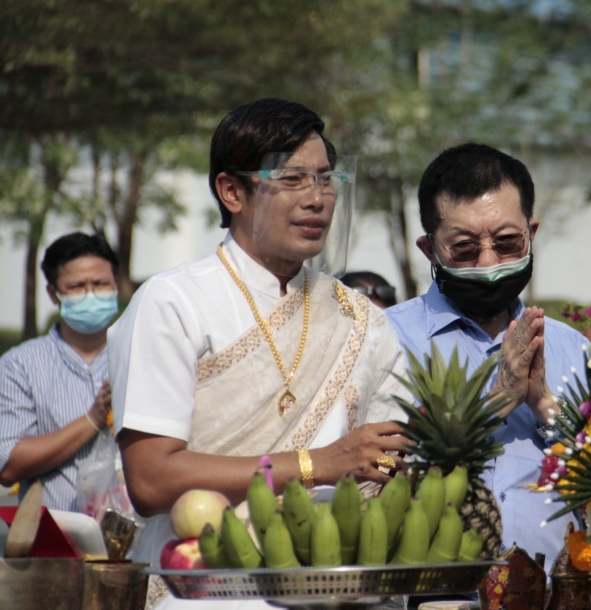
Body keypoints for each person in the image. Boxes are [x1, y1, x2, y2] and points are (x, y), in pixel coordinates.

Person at [108, 98, 411, 609]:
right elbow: (151, 479)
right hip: (204, 590)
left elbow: (387, 462)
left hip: (337, 586)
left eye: (326, 179)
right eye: (292, 179)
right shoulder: (174, 301)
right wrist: (318, 464)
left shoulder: (362, 319)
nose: (317, 198)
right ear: (232, 191)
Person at [385, 143, 588, 572]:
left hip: (560, 593)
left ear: (531, 234)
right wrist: (497, 401)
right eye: (463, 248)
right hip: (434, 593)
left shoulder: (573, 350)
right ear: (429, 250)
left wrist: (545, 405)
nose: (489, 263)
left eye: (508, 243)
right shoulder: (384, 342)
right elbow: (378, 475)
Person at [0, 232, 118, 511]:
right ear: (54, 294)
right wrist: (93, 419)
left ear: (116, 285)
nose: (91, 294)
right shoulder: (20, 365)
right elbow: (8, 465)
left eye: (100, 284)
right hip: (55, 533)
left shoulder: (143, 355)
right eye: (77, 286)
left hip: (137, 534)